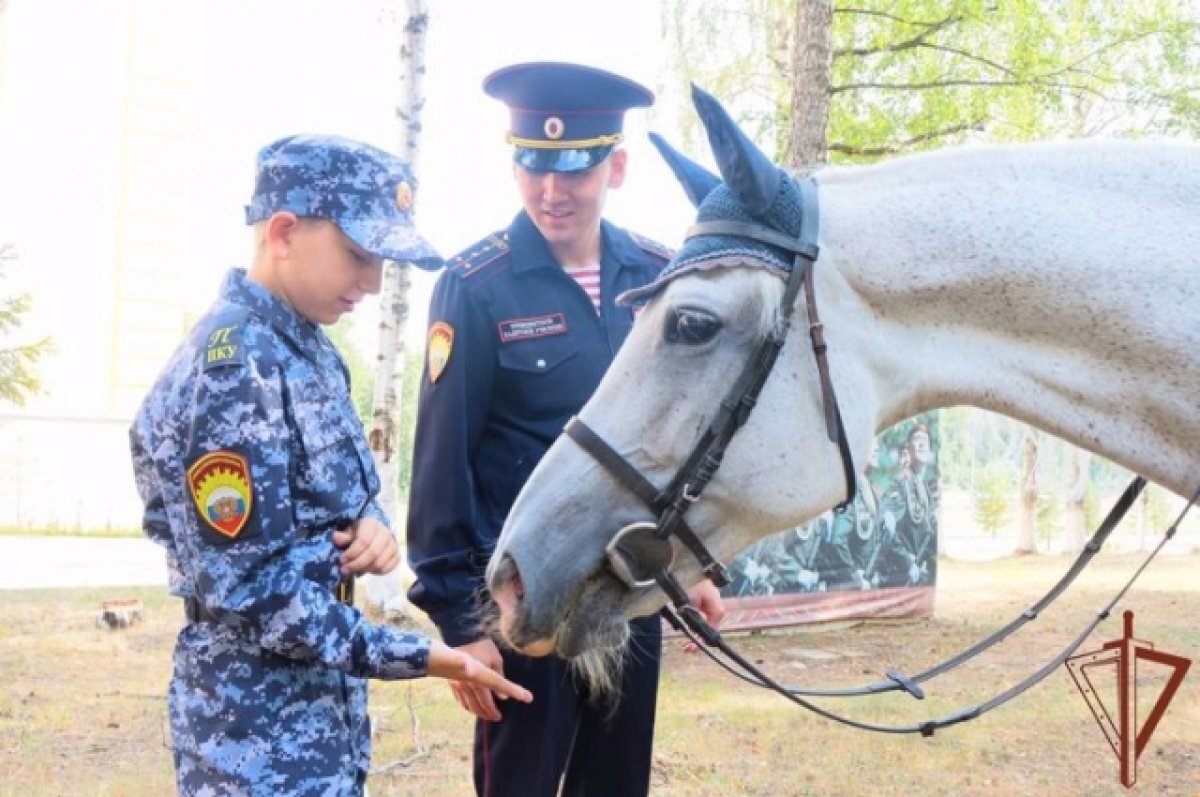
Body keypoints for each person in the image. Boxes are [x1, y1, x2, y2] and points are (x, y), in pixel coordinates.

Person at [129, 134, 532, 797]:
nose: (373, 283)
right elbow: (260, 594)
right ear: (283, 232)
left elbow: (338, 499)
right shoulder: (232, 371)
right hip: (250, 734)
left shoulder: (310, 353)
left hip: (321, 715)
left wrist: (370, 524)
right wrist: (428, 656)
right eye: (358, 255)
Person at [406, 62, 725, 797]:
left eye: (574, 169)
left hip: (626, 595)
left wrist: (691, 569)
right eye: (533, 165)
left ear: (615, 166)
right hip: (523, 603)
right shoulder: (476, 285)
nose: (552, 190)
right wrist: (463, 622)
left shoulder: (657, 275)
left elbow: (676, 442)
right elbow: (440, 469)